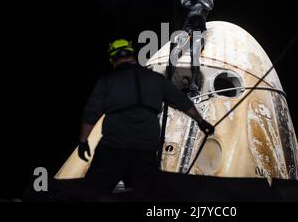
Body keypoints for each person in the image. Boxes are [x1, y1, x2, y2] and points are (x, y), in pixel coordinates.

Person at [77, 39, 214, 199]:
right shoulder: (156, 79)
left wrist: (83, 141)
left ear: (112, 59)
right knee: (143, 194)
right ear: (132, 55)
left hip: (114, 147)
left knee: (93, 192)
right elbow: (183, 102)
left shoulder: (108, 80)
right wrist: (201, 122)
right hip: (145, 148)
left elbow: (91, 113)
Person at [171, 0, 214, 97]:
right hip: (186, 30)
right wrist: (198, 0)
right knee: (175, 52)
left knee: (194, 54)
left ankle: (193, 86)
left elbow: (208, 7)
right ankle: (168, 81)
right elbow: (187, 5)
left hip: (199, 31)